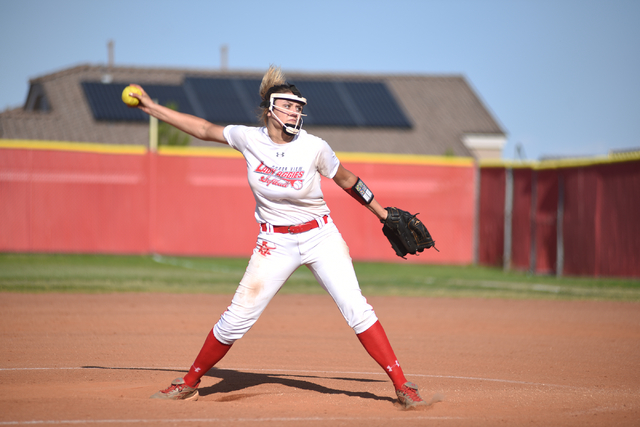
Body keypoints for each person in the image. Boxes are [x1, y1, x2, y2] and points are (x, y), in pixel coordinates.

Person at [129, 66, 430, 410]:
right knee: (235, 319)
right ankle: (189, 381)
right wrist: (152, 107)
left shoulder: (314, 147)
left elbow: (347, 180)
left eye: (298, 108)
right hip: (274, 243)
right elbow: (202, 128)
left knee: (356, 308)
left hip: (321, 237)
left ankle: (403, 385)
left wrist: (383, 214)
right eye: (288, 106)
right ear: (269, 108)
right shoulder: (248, 138)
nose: (295, 112)